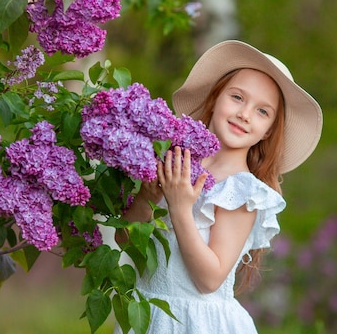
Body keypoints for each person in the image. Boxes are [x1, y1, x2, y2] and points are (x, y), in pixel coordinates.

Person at [114, 40, 323, 333]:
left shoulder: (242, 192)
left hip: (198, 323)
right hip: (148, 315)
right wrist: (146, 200)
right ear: (215, 98)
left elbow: (209, 279)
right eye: (237, 97)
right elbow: (126, 241)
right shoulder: (176, 160)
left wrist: (180, 208)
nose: (245, 114)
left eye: (263, 112)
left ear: (268, 131)